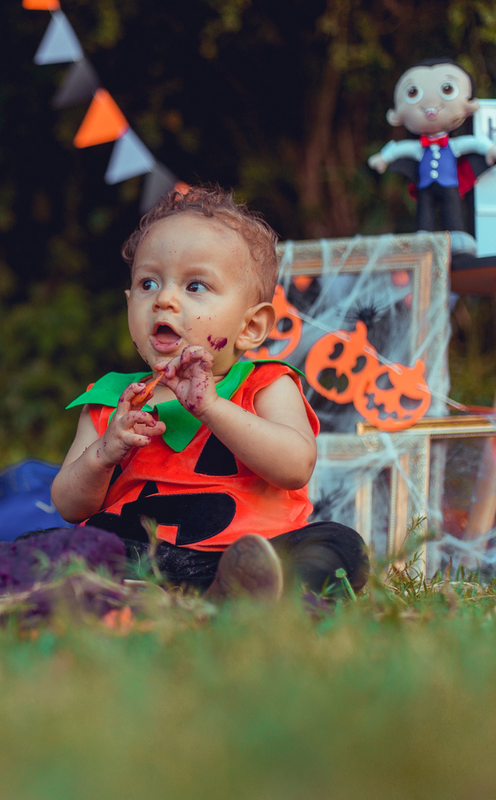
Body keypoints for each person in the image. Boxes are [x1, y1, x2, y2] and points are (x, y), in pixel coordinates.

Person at [50, 186, 368, 600]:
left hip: (245, 556)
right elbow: (69, 505)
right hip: (136, 553)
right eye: (148, 283)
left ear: (251, 327)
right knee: (52, 545)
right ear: (129, 303)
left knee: (340, 546)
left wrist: (212, 408)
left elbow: (295, 466)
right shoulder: (111, 398)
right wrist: (106, 451)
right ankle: (127, 593)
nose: (164, 299)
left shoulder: (267, 384)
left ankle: (248, 594)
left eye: (195, 286)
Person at [366, 58, 496, 254]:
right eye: (412, 92)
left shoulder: (454, 145)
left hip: (449, 184)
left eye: (447, 89)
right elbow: (399, 148)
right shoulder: (418, 148)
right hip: (425, 187)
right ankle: (423, 237)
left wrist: (489, 150)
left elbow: (474, 143)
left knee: (452, 209)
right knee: (424, 212)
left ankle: (457, 235)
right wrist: (384, 158)